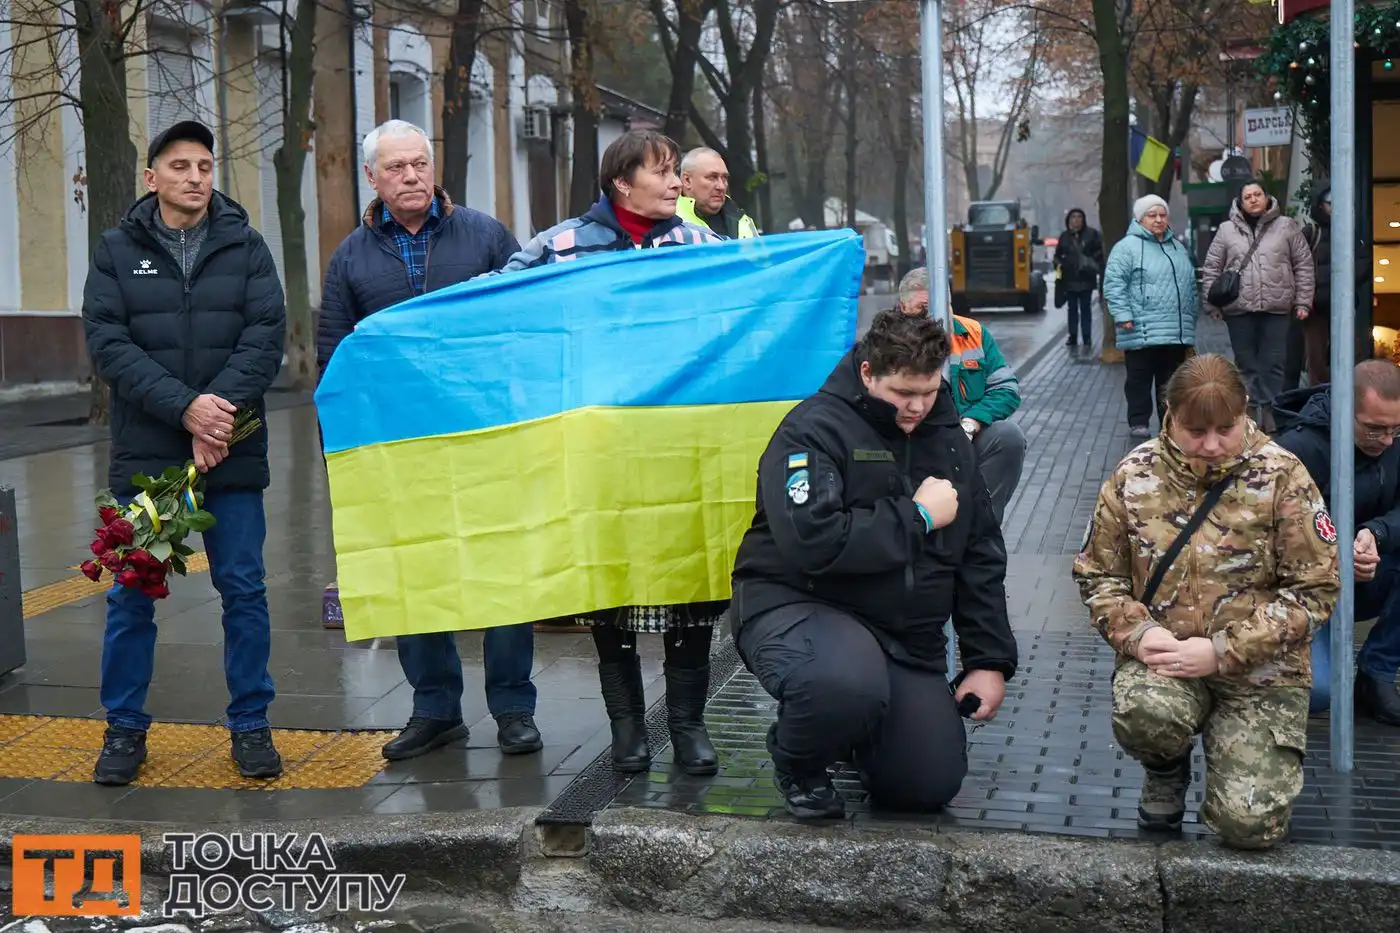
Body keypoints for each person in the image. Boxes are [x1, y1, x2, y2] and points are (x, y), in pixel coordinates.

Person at [495, 129, 725, 776]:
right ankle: (627, 730)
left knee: (691, 586)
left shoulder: (700, 245)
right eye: (664, 171)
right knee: (609, 589)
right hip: (599, 453)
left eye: (677, 170)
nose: (676, 181)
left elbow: (752, 304)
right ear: (623, 180)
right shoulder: (561, 245)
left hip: (680, 448)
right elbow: (498, 307)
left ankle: (688, 726)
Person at [731, 309, 1018, 820]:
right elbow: (813, 543)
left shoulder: (949, 437)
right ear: (868, 374)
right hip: (802, 605)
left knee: (925, 785)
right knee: (842, 685)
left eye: (929, 392)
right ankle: (799, 760)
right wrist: (918, 516)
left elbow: (980, 555)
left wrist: (987, 660)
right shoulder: (812, 429)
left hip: (904, 635)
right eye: (902, 394)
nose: (916, 408)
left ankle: (855, 732)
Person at [315, 119, 543, 761]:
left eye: (419, 163)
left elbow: (526, 328)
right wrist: (339, 452)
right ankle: (436, 708)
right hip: (399, 448)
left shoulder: (487, 237)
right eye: (396, 168)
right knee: (414, 571)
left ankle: (513, 708)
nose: (411, 176)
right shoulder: (351, 258)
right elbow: (336, 357)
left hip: (487, 439)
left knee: (503, 574)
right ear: (373, 178)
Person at [81, 120, 287, 785]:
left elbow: (265, 333)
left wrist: (214, 415)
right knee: (133, 595)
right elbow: (109, 343)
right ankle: (124, 728)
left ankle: (252, 724)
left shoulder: (247, 245)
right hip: (149, 456)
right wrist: (185, 407)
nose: (195, 177)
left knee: (244, 588)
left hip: (230, 451)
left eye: (204, 165)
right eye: (180, 166)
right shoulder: (116, 249)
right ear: (152, 178)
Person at [1074, 353, 1338, 850]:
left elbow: (1316, 590)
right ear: (1169, 413)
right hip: (1167, 660)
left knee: (1250, 827)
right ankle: (1166, 768)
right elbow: (1098, 576)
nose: (1212, 444)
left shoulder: (1283, 475)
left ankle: (1232, 767)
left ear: (1246, 413)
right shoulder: (1134, 475)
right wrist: (1141, 633)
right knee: (1146, 714)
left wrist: (1222, 651)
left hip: (1261, 672)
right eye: (1196, 430)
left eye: (1226, 428)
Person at [1273, 360, 1400, 723]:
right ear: (1345, 410)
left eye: (1395, 429)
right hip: (1305, 589)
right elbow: (1270, 538)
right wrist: (1339, 557)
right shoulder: (1297, 450)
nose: (1388, 441)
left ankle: (1378, 672)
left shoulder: (1394, 441)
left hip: (1367, 574)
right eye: (1375, 429)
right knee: (1317, 693)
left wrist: (1376, 533)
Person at [896, 267, 1026, 523]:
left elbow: (1007, 389)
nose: (934, 319)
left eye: (943, 308)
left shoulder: (973, 334)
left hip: (964, 434)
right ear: (903, 308)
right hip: (909, 441)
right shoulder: (888, 340)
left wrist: (972, 422)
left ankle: (980, 522)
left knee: (1008, 436)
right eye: (923, 309)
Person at [1202, 180, 1315, 433]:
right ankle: (1250, 413)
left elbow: (1303, 265)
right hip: (1239, 309)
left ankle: (1272, 411)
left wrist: (1303, 301)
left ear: (1266, 197)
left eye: (1258, 194)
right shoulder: (1226, 230)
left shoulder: (1287, 226)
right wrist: (1211, 304)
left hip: (1277, 308)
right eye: (1248, 196)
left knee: (1274, 364)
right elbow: (1212, 268)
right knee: (1245, 364)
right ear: (1240, 203)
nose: (1253, 199)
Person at [1102, 195, 1200, 439]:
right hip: (1139, 327)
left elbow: (1189, 285)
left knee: (1170, 381)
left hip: (1174, 331)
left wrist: (1191, 317)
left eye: (1162, 214)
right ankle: (1139, 422)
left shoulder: (1177, 247)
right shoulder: (1126, 247)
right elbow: (1114, 283)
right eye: (1152, 215)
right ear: (1140, 219)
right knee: (1139, 379)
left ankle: (1168, 422)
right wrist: (1122, 314)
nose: (1158, 219)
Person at [675, 147, 759, 240]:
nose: (721, 186)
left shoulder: (743, 221)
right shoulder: (670, 222)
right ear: (687, 181)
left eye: (724, 178)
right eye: (712, 177)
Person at [1053, 208, 1105, 349]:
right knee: (1072, 309)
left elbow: (1100, 252)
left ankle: (1087, 337)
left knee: (1086, 308)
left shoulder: (1092, 234)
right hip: (1069, 279)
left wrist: (1090, 261)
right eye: (1073, 217)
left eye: (1079, 217)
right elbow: (1057, 256)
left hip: (1086, 278)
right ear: (1069, 220)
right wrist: (1059, 271)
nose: (1076, 220)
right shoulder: (1064, 237)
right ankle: (1073, 336)